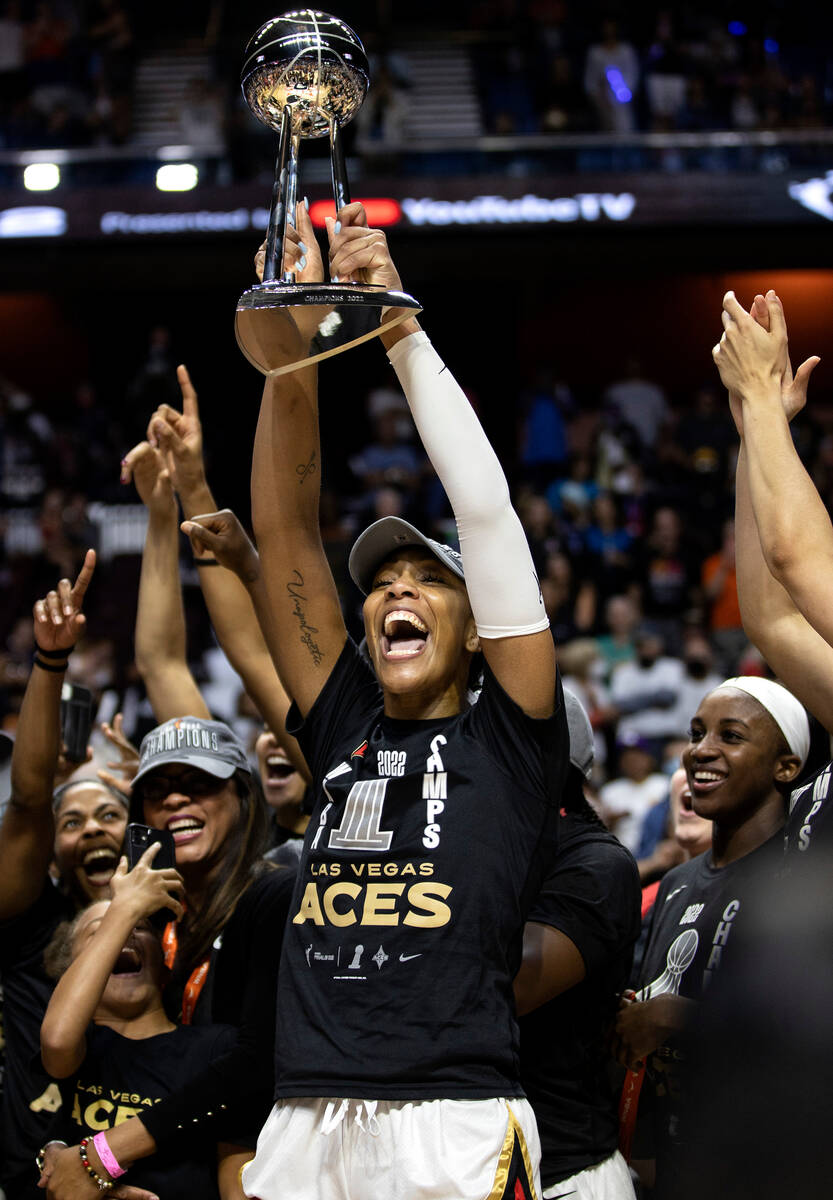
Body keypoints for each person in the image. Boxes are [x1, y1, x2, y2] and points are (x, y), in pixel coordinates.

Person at [185, 201, 568, 1200]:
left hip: (451, 1118)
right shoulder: (345, 722)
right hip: (304, 1114)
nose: (397, 589)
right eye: (383, 581)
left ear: (476, 626)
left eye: (427, 579)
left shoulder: (510, 734)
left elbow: (485, 514)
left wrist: (395, 329)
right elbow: (284, 529)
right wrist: (293, 338)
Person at [612, 676, 809, 1198]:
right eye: (697, 733)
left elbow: (806, 1034)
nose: (701, 750)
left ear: (786, 767)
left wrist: (675, 1017)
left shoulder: (800, 880)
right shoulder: (675, 883)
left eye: (731, 736)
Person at [0, 551, 135, 1200]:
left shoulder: (172, 921)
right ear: (52, 855)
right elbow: (29, 801)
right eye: (73, 822)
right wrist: (50, 661)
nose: (92, 831)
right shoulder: (34, 928)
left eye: (109, 815)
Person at [37, 846, 246, 1197]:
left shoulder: (215, 1046)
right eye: (101, 932)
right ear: (71, 974)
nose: (125, 933)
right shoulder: (82, 1046)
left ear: (165, 965)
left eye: (140, 926)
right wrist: (125, 908)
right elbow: (57, 1039)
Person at [516, 690, 641, 1199]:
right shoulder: (498, 849)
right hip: (476, 1161)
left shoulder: (597, 865)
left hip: (565, 1173)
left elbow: (508, 987)